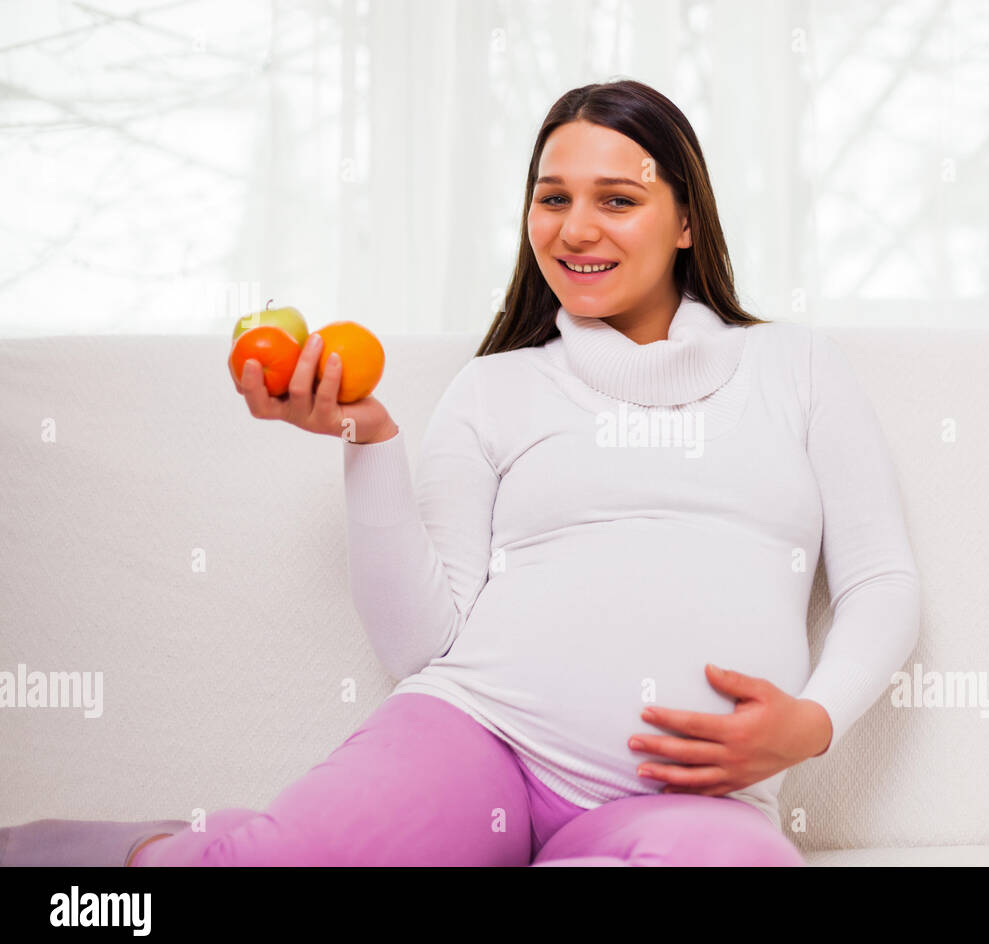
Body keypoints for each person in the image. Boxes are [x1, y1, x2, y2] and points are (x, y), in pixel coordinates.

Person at [1, 79, 920, 867]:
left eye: (617, 199)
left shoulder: (794, 367)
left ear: (685, 218)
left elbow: (880, 581)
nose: (576, 228)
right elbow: (422, 647)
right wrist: (370, 439)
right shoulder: (496, 388)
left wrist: (814, 723)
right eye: (552, 198)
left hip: (692, 807)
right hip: (482, 741)